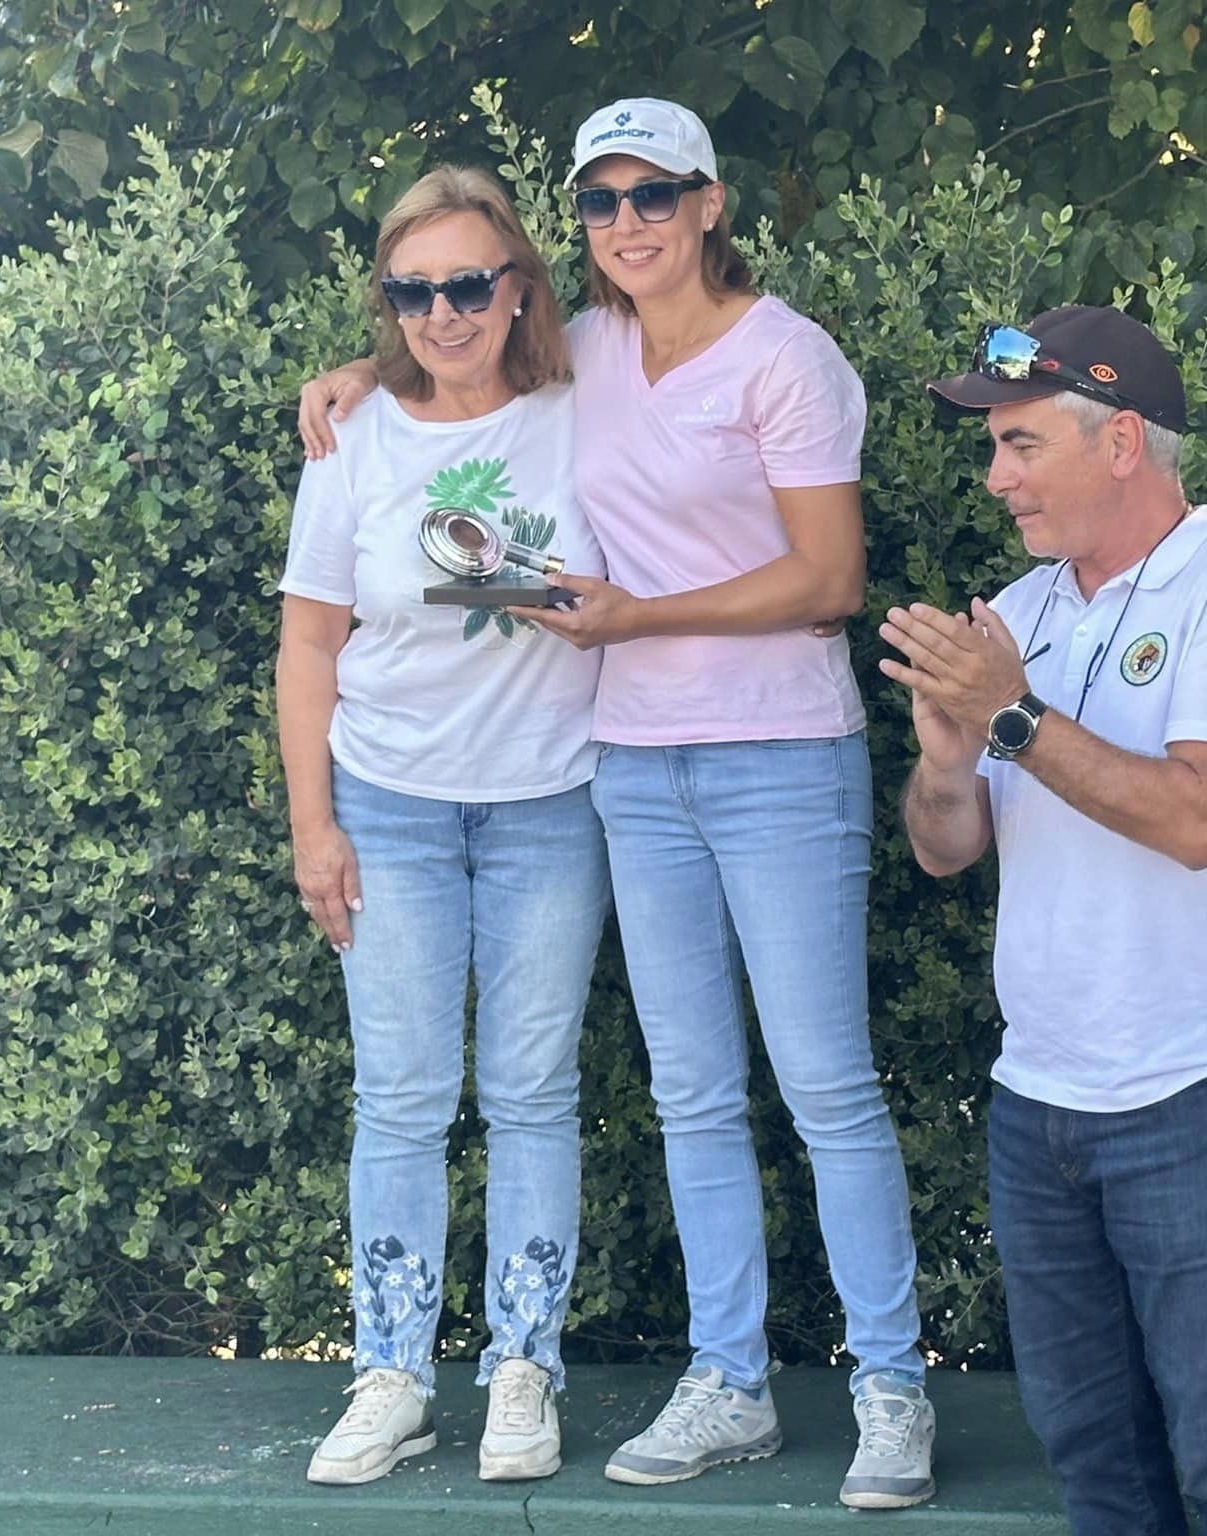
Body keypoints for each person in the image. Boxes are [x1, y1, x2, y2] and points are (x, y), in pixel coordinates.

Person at [299, 98, 936, 1510]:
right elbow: (451, 344)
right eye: (601, 200)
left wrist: (640, 616)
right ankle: (731, 1382)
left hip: (777, 754)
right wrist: (350, 375)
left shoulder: (786, 356)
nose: (628, 221)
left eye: (656, 194)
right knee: (691, 1094)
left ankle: (892, 1387)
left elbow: (831, 578)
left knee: (826, 1088)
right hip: (633, 766)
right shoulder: (584, 350)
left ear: (711, 204)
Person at [879, 305, 1207, 1534]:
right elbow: (944, 850)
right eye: (995, 447)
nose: (995, 479)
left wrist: (1010, 717)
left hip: (1195, 1090)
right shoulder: (1018, 615)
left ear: (1120, 441)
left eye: (1019, 444)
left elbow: (1196, 818)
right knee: (1091, 1459)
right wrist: (943, 761)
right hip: (1036, 1103)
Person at [275, 164, 610, 1489]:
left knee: (533, 1094)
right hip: (390, 803)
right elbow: (309, 644)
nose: (444, 314)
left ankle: (524, 1369)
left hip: (551, 803)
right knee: (402, 1099)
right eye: (412, 293)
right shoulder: (353, 436)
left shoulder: (588, 406)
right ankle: (393, 1376)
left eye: (468, 283)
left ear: (518, 285)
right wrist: (313, 823)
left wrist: (513, 576)